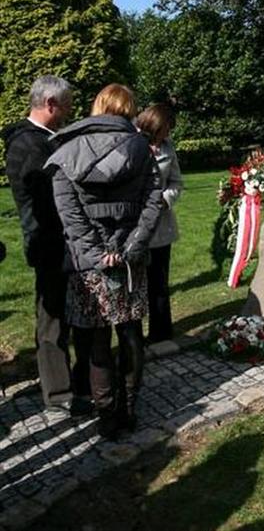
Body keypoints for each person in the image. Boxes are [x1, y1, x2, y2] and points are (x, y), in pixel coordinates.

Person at [45, 84, 163, 439]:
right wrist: (128, 248)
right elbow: (152, 203)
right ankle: (127, 409)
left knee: (96, 341)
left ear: (97, 106)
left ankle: (107, 416)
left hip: (87, 263)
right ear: (129, 109)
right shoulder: (143, 148)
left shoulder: (68, 149)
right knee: (130, 334)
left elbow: (69, 212)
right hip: (128, 260)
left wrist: (97, 253)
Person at [1, 75, 90, 415]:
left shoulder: (43, 140)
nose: (69, 112)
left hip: (59, 242)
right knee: (53, 321)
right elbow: (46, 200)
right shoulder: (30, 144)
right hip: (50, 243)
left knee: (66, 317)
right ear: (51, 104)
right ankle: (59, 394)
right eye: (66, 106)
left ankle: (69, 383)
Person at [137, 104, 183, 343]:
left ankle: (161, 334)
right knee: (135, 285)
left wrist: (165, 200)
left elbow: (176, 182)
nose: (169, 133)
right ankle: (132, 339)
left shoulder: (168, 147)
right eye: (166, 127)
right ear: (155, 124)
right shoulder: (133, 143)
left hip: (161, 227)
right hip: (136, 227)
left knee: (159, 284)